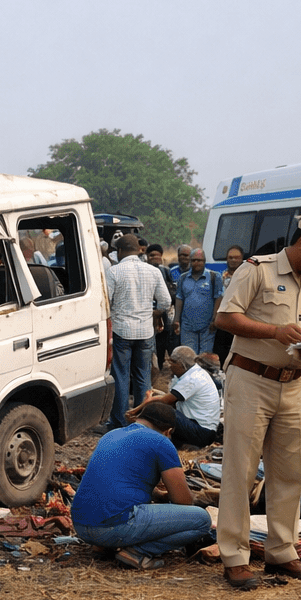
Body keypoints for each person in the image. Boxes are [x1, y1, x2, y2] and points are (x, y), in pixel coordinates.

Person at [213, 214, 301, 590]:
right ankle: (235, 557)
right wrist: (275, 331)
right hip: (252, 379)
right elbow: (225, 317)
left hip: (293, 385)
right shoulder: (258, 270)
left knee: (288, 471)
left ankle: (282, 550)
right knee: (241, 469)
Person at [74, 400, 217, 568]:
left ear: (140, 418)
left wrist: (157, 494)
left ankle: (102, 546)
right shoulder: (161, 442)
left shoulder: (111, 434)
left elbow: (119, 480)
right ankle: (139, 553)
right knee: (201, 520)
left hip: (81, 525)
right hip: (112, 526)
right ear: (168, 431)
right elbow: (183, 501)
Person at [103, 236, 170, 430]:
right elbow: (165, 302)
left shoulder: (114, 271)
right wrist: (153, 313)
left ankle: (121, 421)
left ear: (121, 251)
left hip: (122, 331)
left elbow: (106, 303)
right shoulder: (153, 271)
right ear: (138, 251)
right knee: (143, 377)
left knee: (121, 377)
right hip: (145, 331)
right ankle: (143, 420)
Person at [146, 346, 221, 448]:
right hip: (202, 428)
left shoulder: (192, 378)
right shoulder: (194, 372)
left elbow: (165, 400)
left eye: (172, 362)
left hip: (202, 432)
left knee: (161, 411)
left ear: (181, 364)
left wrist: (138, 409)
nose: (170, 366)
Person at [174, 248, 224, 354]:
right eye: (193, 260)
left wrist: (214, 320)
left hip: (207, 326)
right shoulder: (183, 278)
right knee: (188, 356)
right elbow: (179, 298)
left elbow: (218, 298)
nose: (196, 263)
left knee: (205, 357)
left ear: (204, 261)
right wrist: (176, 320)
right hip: (187, 326)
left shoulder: (214, 277)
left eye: (199, 260)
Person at [213, 245, 245, 366]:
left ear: (242, 259)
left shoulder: (247, 276)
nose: (233, 260)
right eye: (230, 257)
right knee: (220, 353)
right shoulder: (219, 277)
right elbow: (218, 297)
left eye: (236, 257)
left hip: (239, 320)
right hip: (222, 320)